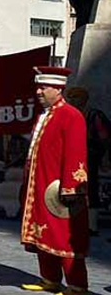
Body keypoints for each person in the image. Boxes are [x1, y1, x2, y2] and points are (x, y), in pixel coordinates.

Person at [19, 67, 91, 295]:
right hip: (39, 183)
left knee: (66, 235)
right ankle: (49, 278)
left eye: (44, 87)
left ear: (58, 89)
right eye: (38, 87)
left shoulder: (71, 115)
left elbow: (76, 152)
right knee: (43, 231)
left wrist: (70, 186)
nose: (38, 92)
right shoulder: (44, 115)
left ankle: (77, 284)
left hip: (59, 188)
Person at [65, 86, 108, 227]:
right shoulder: (68, 115)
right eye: (70, 98)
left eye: (75, 97)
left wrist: (104, 157)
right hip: (72, 158)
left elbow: (105, 138)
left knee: (91, 189)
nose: (72, 101)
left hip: (91, 158)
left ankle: (91, 225)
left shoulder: (95, 116)